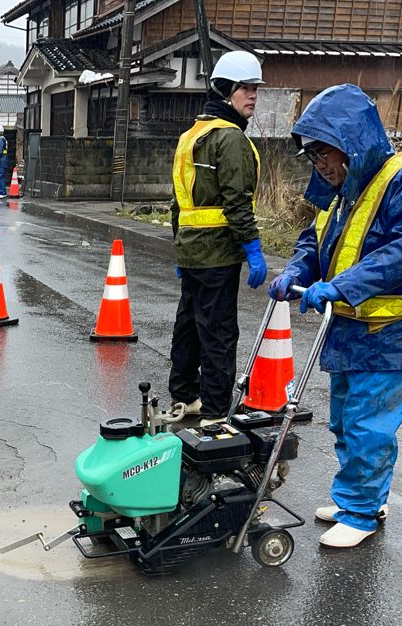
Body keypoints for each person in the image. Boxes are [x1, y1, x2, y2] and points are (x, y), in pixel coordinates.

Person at [268, 83, 402, 549]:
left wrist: (341, 286)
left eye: (326, 153)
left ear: (353, 143)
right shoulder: (347, 190)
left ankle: (362, 511)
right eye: (313, 157)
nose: (321, 166)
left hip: (394, 333)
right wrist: (295, 270)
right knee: (347, 421)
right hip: (351, 330)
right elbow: (316, 238)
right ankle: (360, 499)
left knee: (370, 425)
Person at [169, 50, 268, 426]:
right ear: (227, 91)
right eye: (246, 88)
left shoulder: (191, 135)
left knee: (190, 325)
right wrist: (253, 249)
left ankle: (185, 395)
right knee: (219, 333)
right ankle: (214, 412)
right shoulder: (230, 140)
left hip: (192, 251)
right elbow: (237, 203)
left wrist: (180, 249)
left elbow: (177, 202)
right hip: (219, 253)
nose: (253, 96)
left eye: (255, 88)